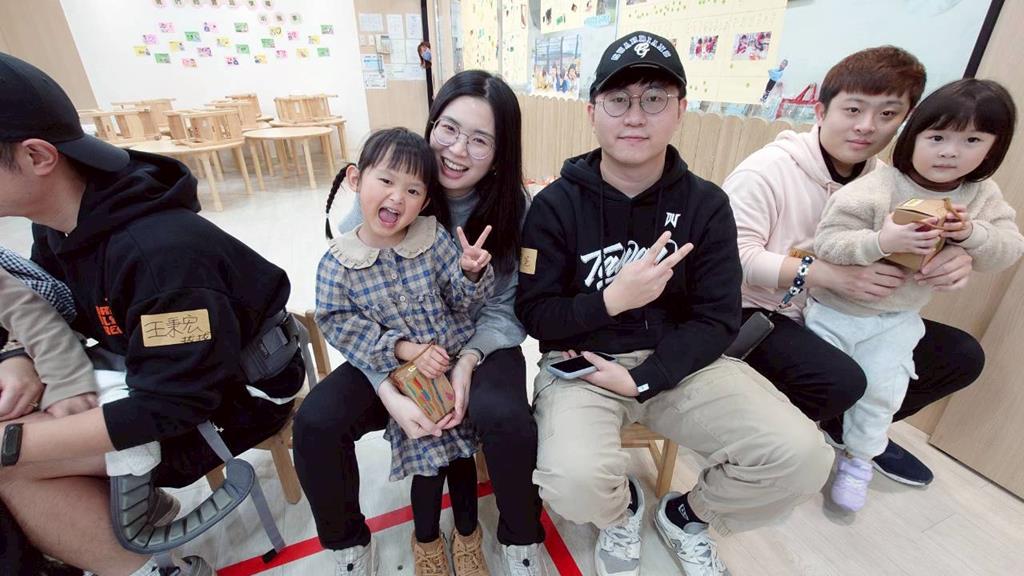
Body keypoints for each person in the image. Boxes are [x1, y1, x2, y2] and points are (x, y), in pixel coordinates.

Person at [515, 31, 833, 576]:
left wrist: (645, 378)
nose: (635, 116)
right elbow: (535, 313)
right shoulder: (554, 205)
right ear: (593, 112)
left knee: (802, 457)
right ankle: (622, 511)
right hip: (582, 368)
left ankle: (688, 515)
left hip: (683, 365)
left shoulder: (706, 205)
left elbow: (718, 318)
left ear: (681, 109)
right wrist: (610, 301)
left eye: (654, 98)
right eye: (619, 100)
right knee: (572, 484)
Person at [0, 52, 305, 576]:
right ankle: (128, 525)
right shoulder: (61, 222)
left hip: (235, 402)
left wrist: (13, 444)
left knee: (11, 466)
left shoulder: (160, 257)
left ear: (37, 155)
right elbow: (50, 308)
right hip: (160, 375)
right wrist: (18, 356)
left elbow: (172, 407)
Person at [293, 70, 544, 576]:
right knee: (316, 422)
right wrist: (387, 387)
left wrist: (467, 361)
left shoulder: (514, 208)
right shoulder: (388, 192)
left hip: (478, 340)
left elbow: (506, 305)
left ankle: (520, 537)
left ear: (500, 153)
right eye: (448, 129)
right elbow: (349, 314)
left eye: (479, 140)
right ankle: (348, 544)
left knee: (506, 417)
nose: (457, 149)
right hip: (396, 348)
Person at [723, 46, 984, 488]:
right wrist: (831, 275)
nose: (866, 126)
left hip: (845, 310)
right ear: (821, 110)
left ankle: (850, 429)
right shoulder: (767, 171)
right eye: (853, 109)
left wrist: (956, 255)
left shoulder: (888, 182)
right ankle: (772, 438)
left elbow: (911, 247)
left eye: (887, 114)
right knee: (840, 380)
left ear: (905, 121)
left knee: (960, 356)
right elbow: (734, 259)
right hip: (759, 310)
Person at [807, 78, 1022, 511]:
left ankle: (858, 461)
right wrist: (880, 242)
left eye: (972, 140)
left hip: (896, 319)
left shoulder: (980, 196)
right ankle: (798, 454)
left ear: (993, 149)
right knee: (813, 387)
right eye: (937, 137)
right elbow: (827, 242)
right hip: (835, 311)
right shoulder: (878, 187)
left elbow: (1008, 247)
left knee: (882, 393)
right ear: (913, 136)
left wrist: (971, 237)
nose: (950, 152)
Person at [316, 127, 495, 576]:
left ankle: (468, 536)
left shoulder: (433, 240)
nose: (397, 197)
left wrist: (470, 274)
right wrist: (403, 349)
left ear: (426, 200)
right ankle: (427, 542)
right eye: (386, 180)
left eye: (413, 190)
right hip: (409, 387)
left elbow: (462, 303)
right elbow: (339, 325)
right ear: (356, 179)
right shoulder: (338, 264)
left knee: (463, 463)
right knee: (427, 469)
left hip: (452, 371)